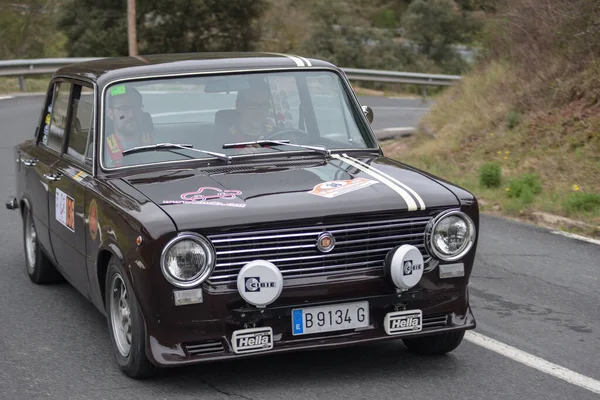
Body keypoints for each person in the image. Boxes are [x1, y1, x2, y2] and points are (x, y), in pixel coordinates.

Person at [104, 85, 154, 166]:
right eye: (123, 108)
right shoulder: (101, 150)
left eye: (136, 107)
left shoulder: (160, 143)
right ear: (110, 114)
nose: (131, 114)